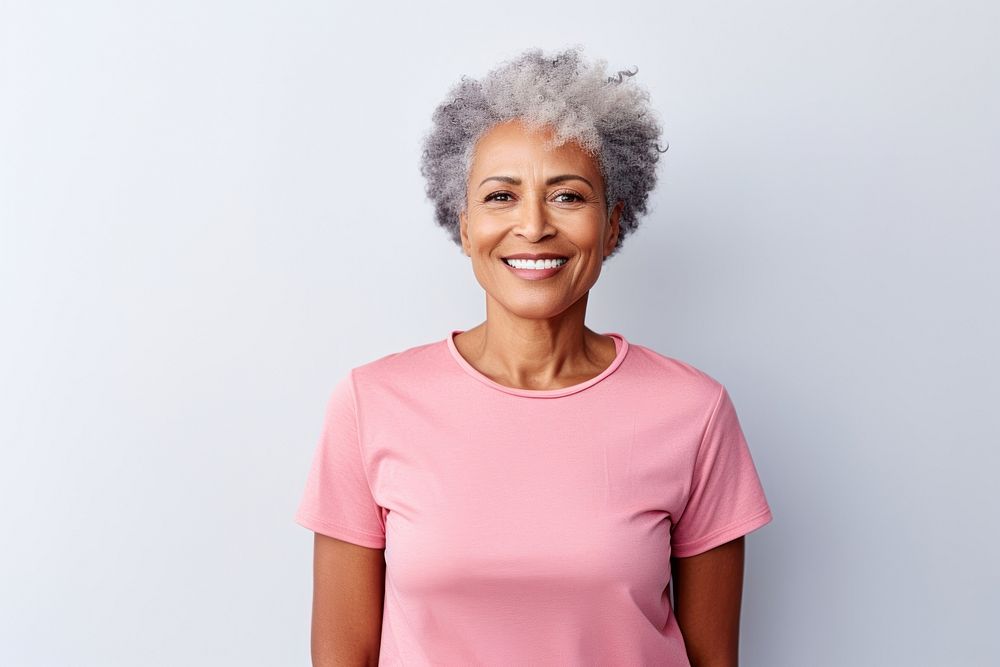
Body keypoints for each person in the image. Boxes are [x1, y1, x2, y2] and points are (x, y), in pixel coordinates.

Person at [294, 46, 774, 666]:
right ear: (464, 226)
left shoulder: (694, 411)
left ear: (612, 226)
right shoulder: (371, 402)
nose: (534, 226)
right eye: (500, 197)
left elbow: (713, 659)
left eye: (568, 196)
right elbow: (341, 656)